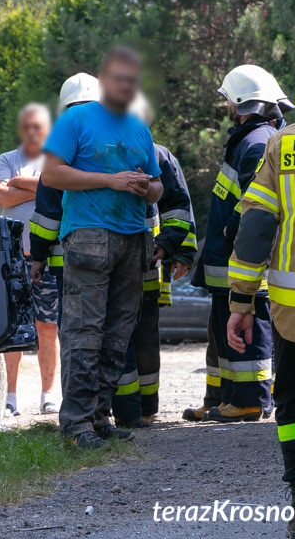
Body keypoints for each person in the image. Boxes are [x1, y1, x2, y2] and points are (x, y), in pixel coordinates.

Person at [226, 33, 295, 539]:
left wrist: (241, 301)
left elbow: (255, 229)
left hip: (291, 311)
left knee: (293, 403)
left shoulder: (282, 143)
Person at [40, 45, 163, 449]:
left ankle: (100, 417)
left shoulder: (138, 128)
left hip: (133, 240)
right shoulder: (75, 118)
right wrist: (109, 180)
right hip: (89, 236)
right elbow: (53, 175)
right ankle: (76, 426)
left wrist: (148, 188)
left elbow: (159, 187)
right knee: (83, 333)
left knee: (117, 334)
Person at [186, 65, 294, 423]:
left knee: (246, 325)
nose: (227, 106)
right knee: (220, 330)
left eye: (229, 100)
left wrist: (233, 232)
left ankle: (249, 398)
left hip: (240, 262)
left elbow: (254, 208)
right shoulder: (249, 140)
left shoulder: (256, 143)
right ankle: (219, 396)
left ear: (239, 101)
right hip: (224, 261)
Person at [112, 93, 193, 428]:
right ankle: (138, 410)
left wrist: (175, 248)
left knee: (137, 335)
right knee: (138, 335)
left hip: (144, 262)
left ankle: (140, 410)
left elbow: (178, 209)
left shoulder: (156, 155)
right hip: (134, 262)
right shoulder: (142, 153)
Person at [0, 103, 61, 415]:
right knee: (13, 329)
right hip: (13, 258)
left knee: (47, 327)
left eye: (39, 126)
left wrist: (19, 182)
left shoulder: (57, 159)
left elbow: (58, 192)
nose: (33, 131)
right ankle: (10, 397)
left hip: (46, 258)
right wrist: (39, 189)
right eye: (28, 126)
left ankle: (48, 394)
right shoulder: (6, 159)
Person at [30, 73, 102, 315]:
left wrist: (38, 256)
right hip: (118, 259)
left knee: (77, 328)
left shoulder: (62, 144)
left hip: (70, 262)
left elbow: (48, 214)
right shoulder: (120, 140)